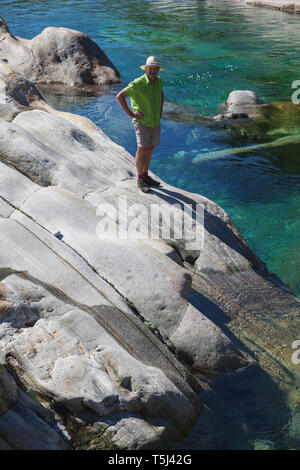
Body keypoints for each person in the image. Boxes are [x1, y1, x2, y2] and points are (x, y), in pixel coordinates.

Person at [116, 56, 164, 193]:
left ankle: (146, 175)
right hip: (142, 122)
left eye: (156, 69)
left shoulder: (159, 82)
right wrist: (131, 114)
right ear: (146, 69)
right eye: (150, 69)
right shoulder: (138, 83)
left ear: (158, 70)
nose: (153, 71)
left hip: (155, 121)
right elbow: (120, 96)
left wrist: (160, 109)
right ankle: (140, 179)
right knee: (142, 149)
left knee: (150, 149)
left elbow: (161, 94)